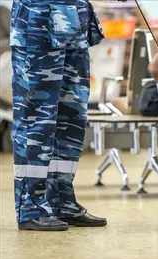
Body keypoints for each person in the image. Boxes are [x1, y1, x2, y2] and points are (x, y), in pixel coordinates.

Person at [10, 0, 108, 231]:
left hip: (74, 24)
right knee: (36, 119)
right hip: (37, 25)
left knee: (71, 119)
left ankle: (60, 200)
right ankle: (30, 206)